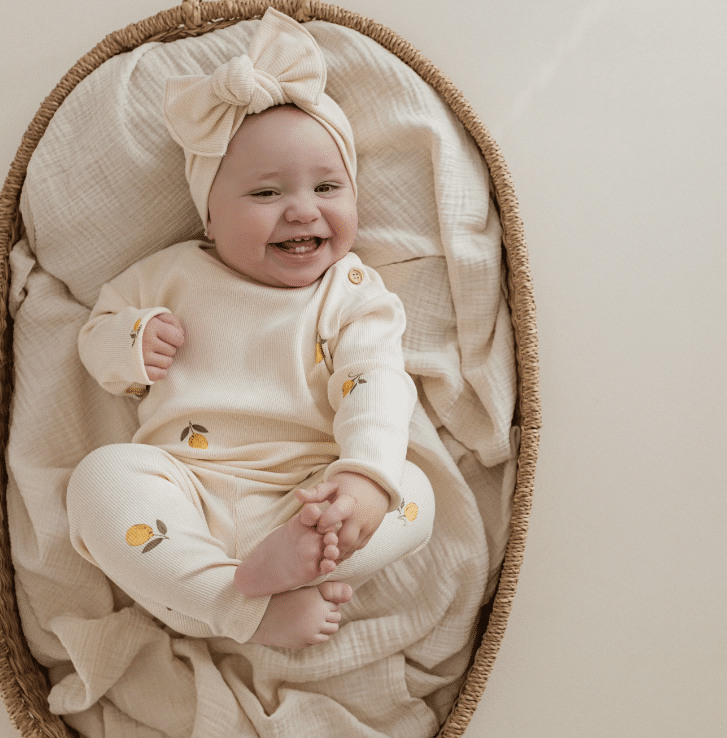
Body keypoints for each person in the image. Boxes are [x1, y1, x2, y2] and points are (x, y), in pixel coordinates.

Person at [66, 8, 433, 650]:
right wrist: (132, 339)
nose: (302, 210)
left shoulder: (351, 290)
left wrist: (363, 481)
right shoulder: (168, 274)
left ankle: (270, 583)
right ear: (209, 215)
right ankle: (236, 603)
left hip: (308, 496)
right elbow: (94, 337)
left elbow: (375, 380)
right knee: (101, 477)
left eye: (328, 187)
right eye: (266, 194)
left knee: (415, 495)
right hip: (186, 494)